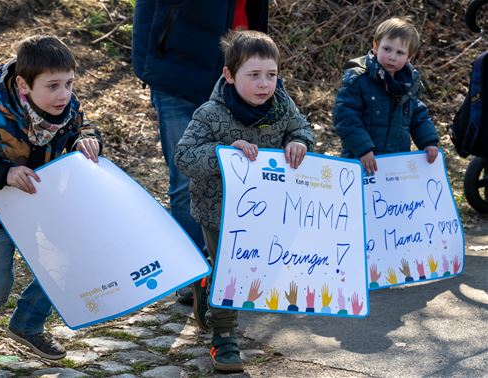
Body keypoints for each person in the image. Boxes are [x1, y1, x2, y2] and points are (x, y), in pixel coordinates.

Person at [0, 35, 102, 359]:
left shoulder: (68, 108)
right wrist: (5, 174)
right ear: (23, 84)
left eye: (69, 83)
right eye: (53, 85)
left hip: (44, 204)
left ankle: (27, 324)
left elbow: (81, 130)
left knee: (65, 265)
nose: (64, 94)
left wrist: (85, 140)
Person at [175, 30, 315, 372]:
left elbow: (302, 128)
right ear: (229, 75)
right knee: (229, 269)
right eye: (253, 75)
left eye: (271, 75)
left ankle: (205, 286)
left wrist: (299, 142)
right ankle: (224, 337)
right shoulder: (210, 113)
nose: (264, 84)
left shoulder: (283, 106)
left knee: (254, 268)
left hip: (265, 211)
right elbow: (184, 156)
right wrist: (224, 155)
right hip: (217, 211)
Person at [132, 0, 269, 305]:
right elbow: (147, 13)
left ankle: (229, 271)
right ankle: (190, 275)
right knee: (185, 180)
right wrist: (146, 67)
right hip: (177, 81)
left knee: (235, 178)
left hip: (236, 87)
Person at [333, 16, 439, 174]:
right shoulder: (359, 79)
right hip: (361, 159)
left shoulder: (409, 84)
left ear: (409, 58)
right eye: (387, 49)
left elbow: (418, 116)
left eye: (400, 52)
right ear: (375, 47)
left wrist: (429, 142)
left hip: (395, 163)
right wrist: (363, 149)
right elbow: (345, 117)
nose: (392, 56)